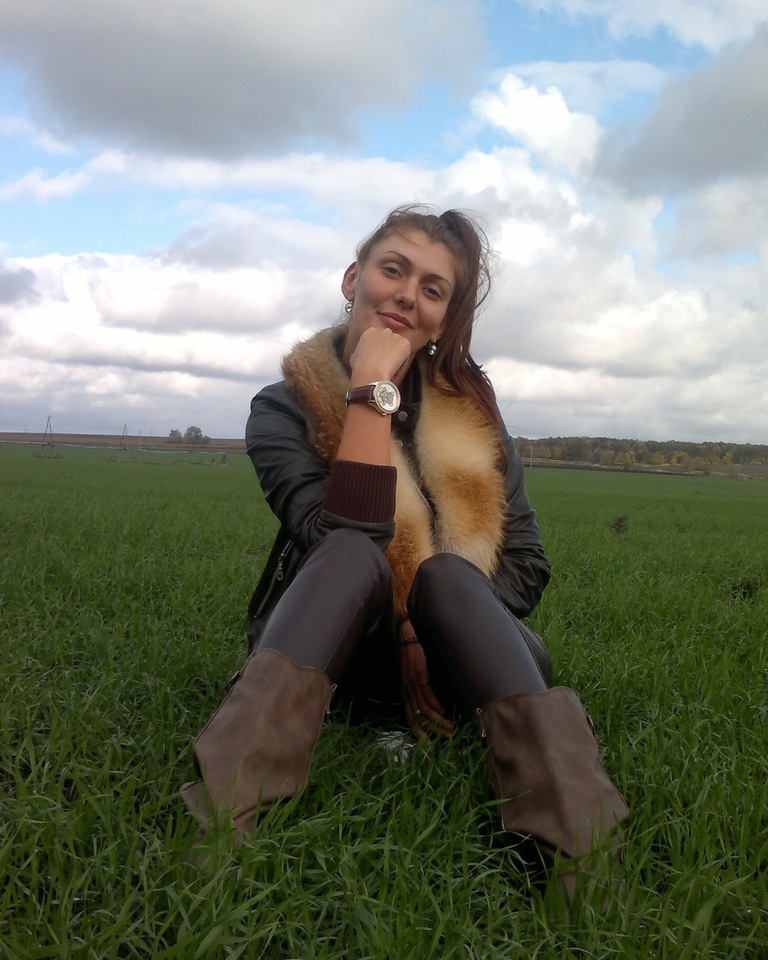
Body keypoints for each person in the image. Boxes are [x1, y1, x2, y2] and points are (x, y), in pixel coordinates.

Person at [180, 205, 628, 900]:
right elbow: (341, 542)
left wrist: (429, 616)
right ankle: (215, 839)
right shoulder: (284, 407)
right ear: (353, 278)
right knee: (353, 554)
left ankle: (583, 860)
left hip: (464, 655)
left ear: (443, 320)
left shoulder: (475, 416)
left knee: (447, 574)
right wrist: (369, 395)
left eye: (432, 288)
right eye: (394, 269)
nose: (407, 295)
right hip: (339, 648)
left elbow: (527, 567)